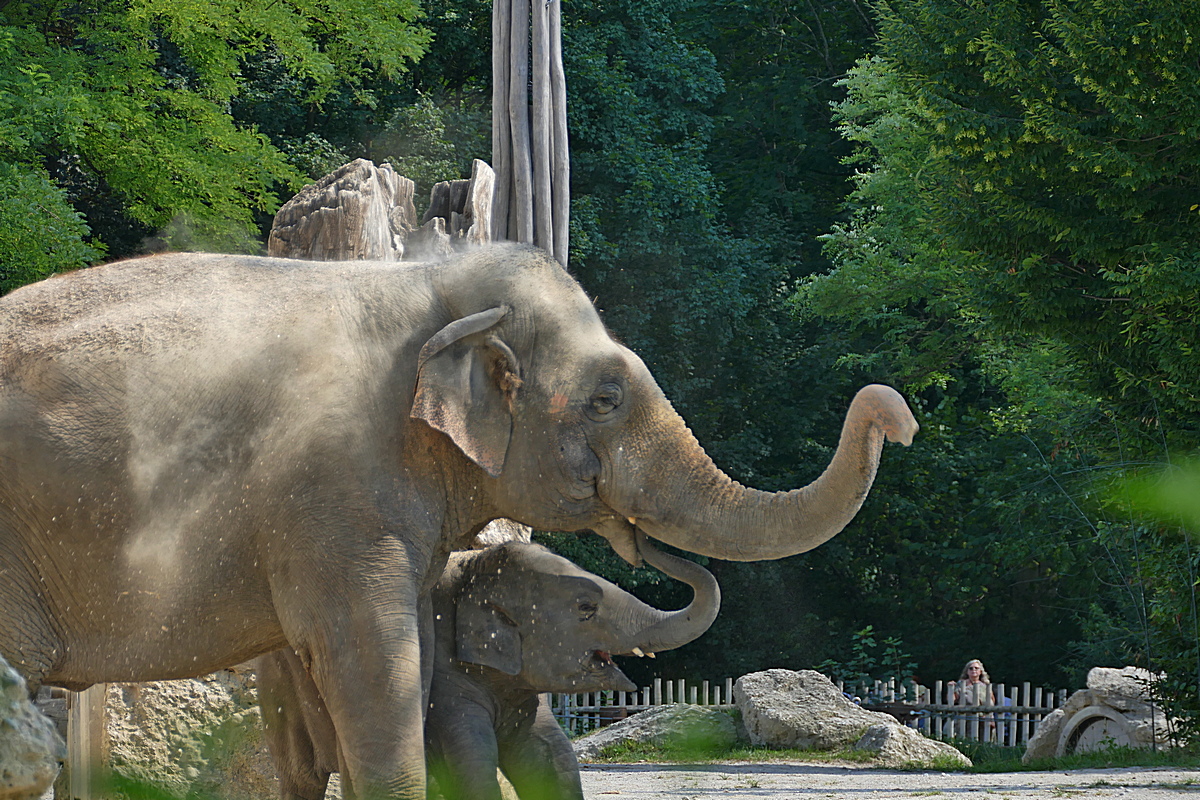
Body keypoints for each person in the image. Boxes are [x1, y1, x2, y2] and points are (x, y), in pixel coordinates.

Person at [950, 659, 996, 740]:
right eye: (971, 668)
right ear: (967, 671)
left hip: (984, 721)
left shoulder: (986, 686)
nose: (973, 670)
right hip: (967, 721)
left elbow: (992, 703)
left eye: (976, 668)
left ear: (980, 671)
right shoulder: (961, 684)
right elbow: (952, 700)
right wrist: (951, 689)